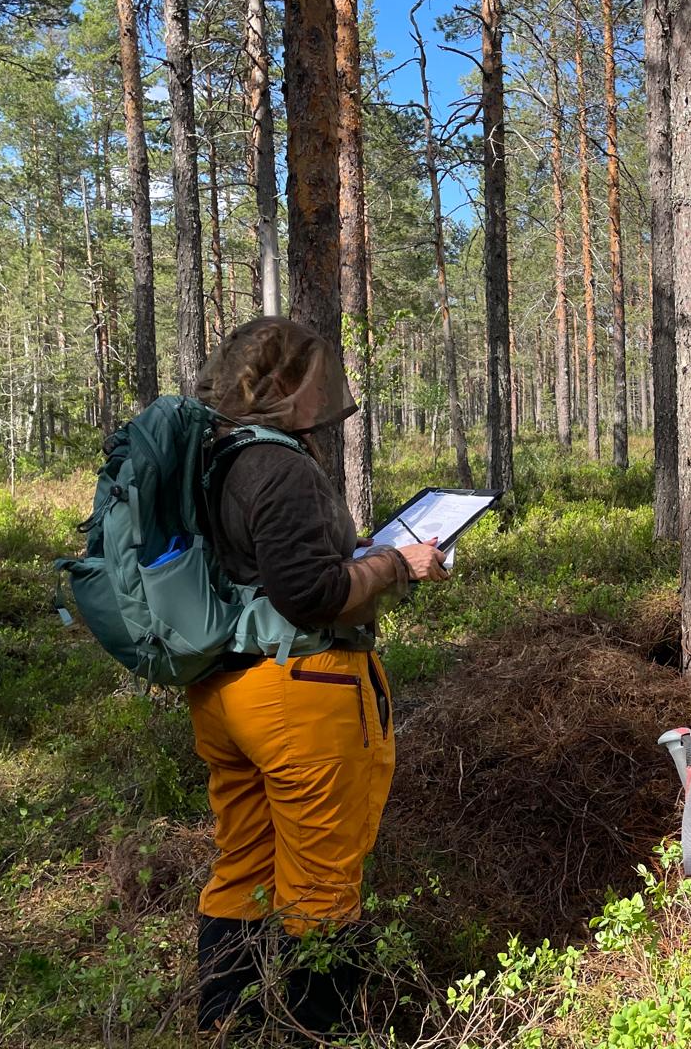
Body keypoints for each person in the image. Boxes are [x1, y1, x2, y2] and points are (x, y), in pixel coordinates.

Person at [188, 317, 449, 1034]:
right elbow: (309, 593)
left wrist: (355, 549)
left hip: (226, 690)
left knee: (243, 865)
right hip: (301, 692)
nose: (326, 391)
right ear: (281, 384)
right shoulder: (277, 465)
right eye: (313, 377)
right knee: (322, 884)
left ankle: (229, 1028)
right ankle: (318, 1034)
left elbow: (267, 563)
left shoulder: (217, 454)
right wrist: (396, 563)